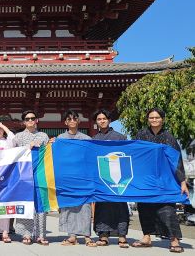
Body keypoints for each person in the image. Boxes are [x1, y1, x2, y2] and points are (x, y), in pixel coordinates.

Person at [132, 108, 188, 253]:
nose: (154, 120)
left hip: (164, 179)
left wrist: (182, 181)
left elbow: (177, 161)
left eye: (157, 117)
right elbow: (134, 154)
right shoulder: (141, 135)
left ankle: (174, 239)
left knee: (167, 209)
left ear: (162, 119)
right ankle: (146, 237)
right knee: (144, 207)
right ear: (147, 119)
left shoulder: (169, 137)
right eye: (151, 117)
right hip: (145, 178)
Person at [57, 110, 97, 247]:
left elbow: (91, 158)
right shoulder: (60, 138)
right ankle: (71, 236)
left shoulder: (87, 139)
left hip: (83, 177)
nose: (72, 121)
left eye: (75, 118)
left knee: (85, 207)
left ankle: (87, 236)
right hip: (67, 178)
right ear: (66, 122)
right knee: (68, 207)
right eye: (69, 119)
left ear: (79, 121)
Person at [91, 109, 130, 248]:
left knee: (120, 206)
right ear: (96, 122)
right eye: (99, 119)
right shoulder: (94, 140)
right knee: (102, 207)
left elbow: (127, 156)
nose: (102, 121)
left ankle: (122, 236)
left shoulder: (120, 137)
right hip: (102, 177)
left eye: (104, 119)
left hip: (119, 176)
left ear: (109, 120)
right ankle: (103, 235)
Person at [13, 110, 50, 245]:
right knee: (26, 203)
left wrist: (53, 144)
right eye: (27, 119)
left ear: (36, 120)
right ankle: (26, 234)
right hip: (24, 174)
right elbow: (12, 153)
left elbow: (49, 154)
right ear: (24, 122)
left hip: (40, 173)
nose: (30, 121)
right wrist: (28, 147)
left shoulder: (43, 136)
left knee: (41, 204)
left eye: (32, 118)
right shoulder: (18, 137)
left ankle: (41, 234)